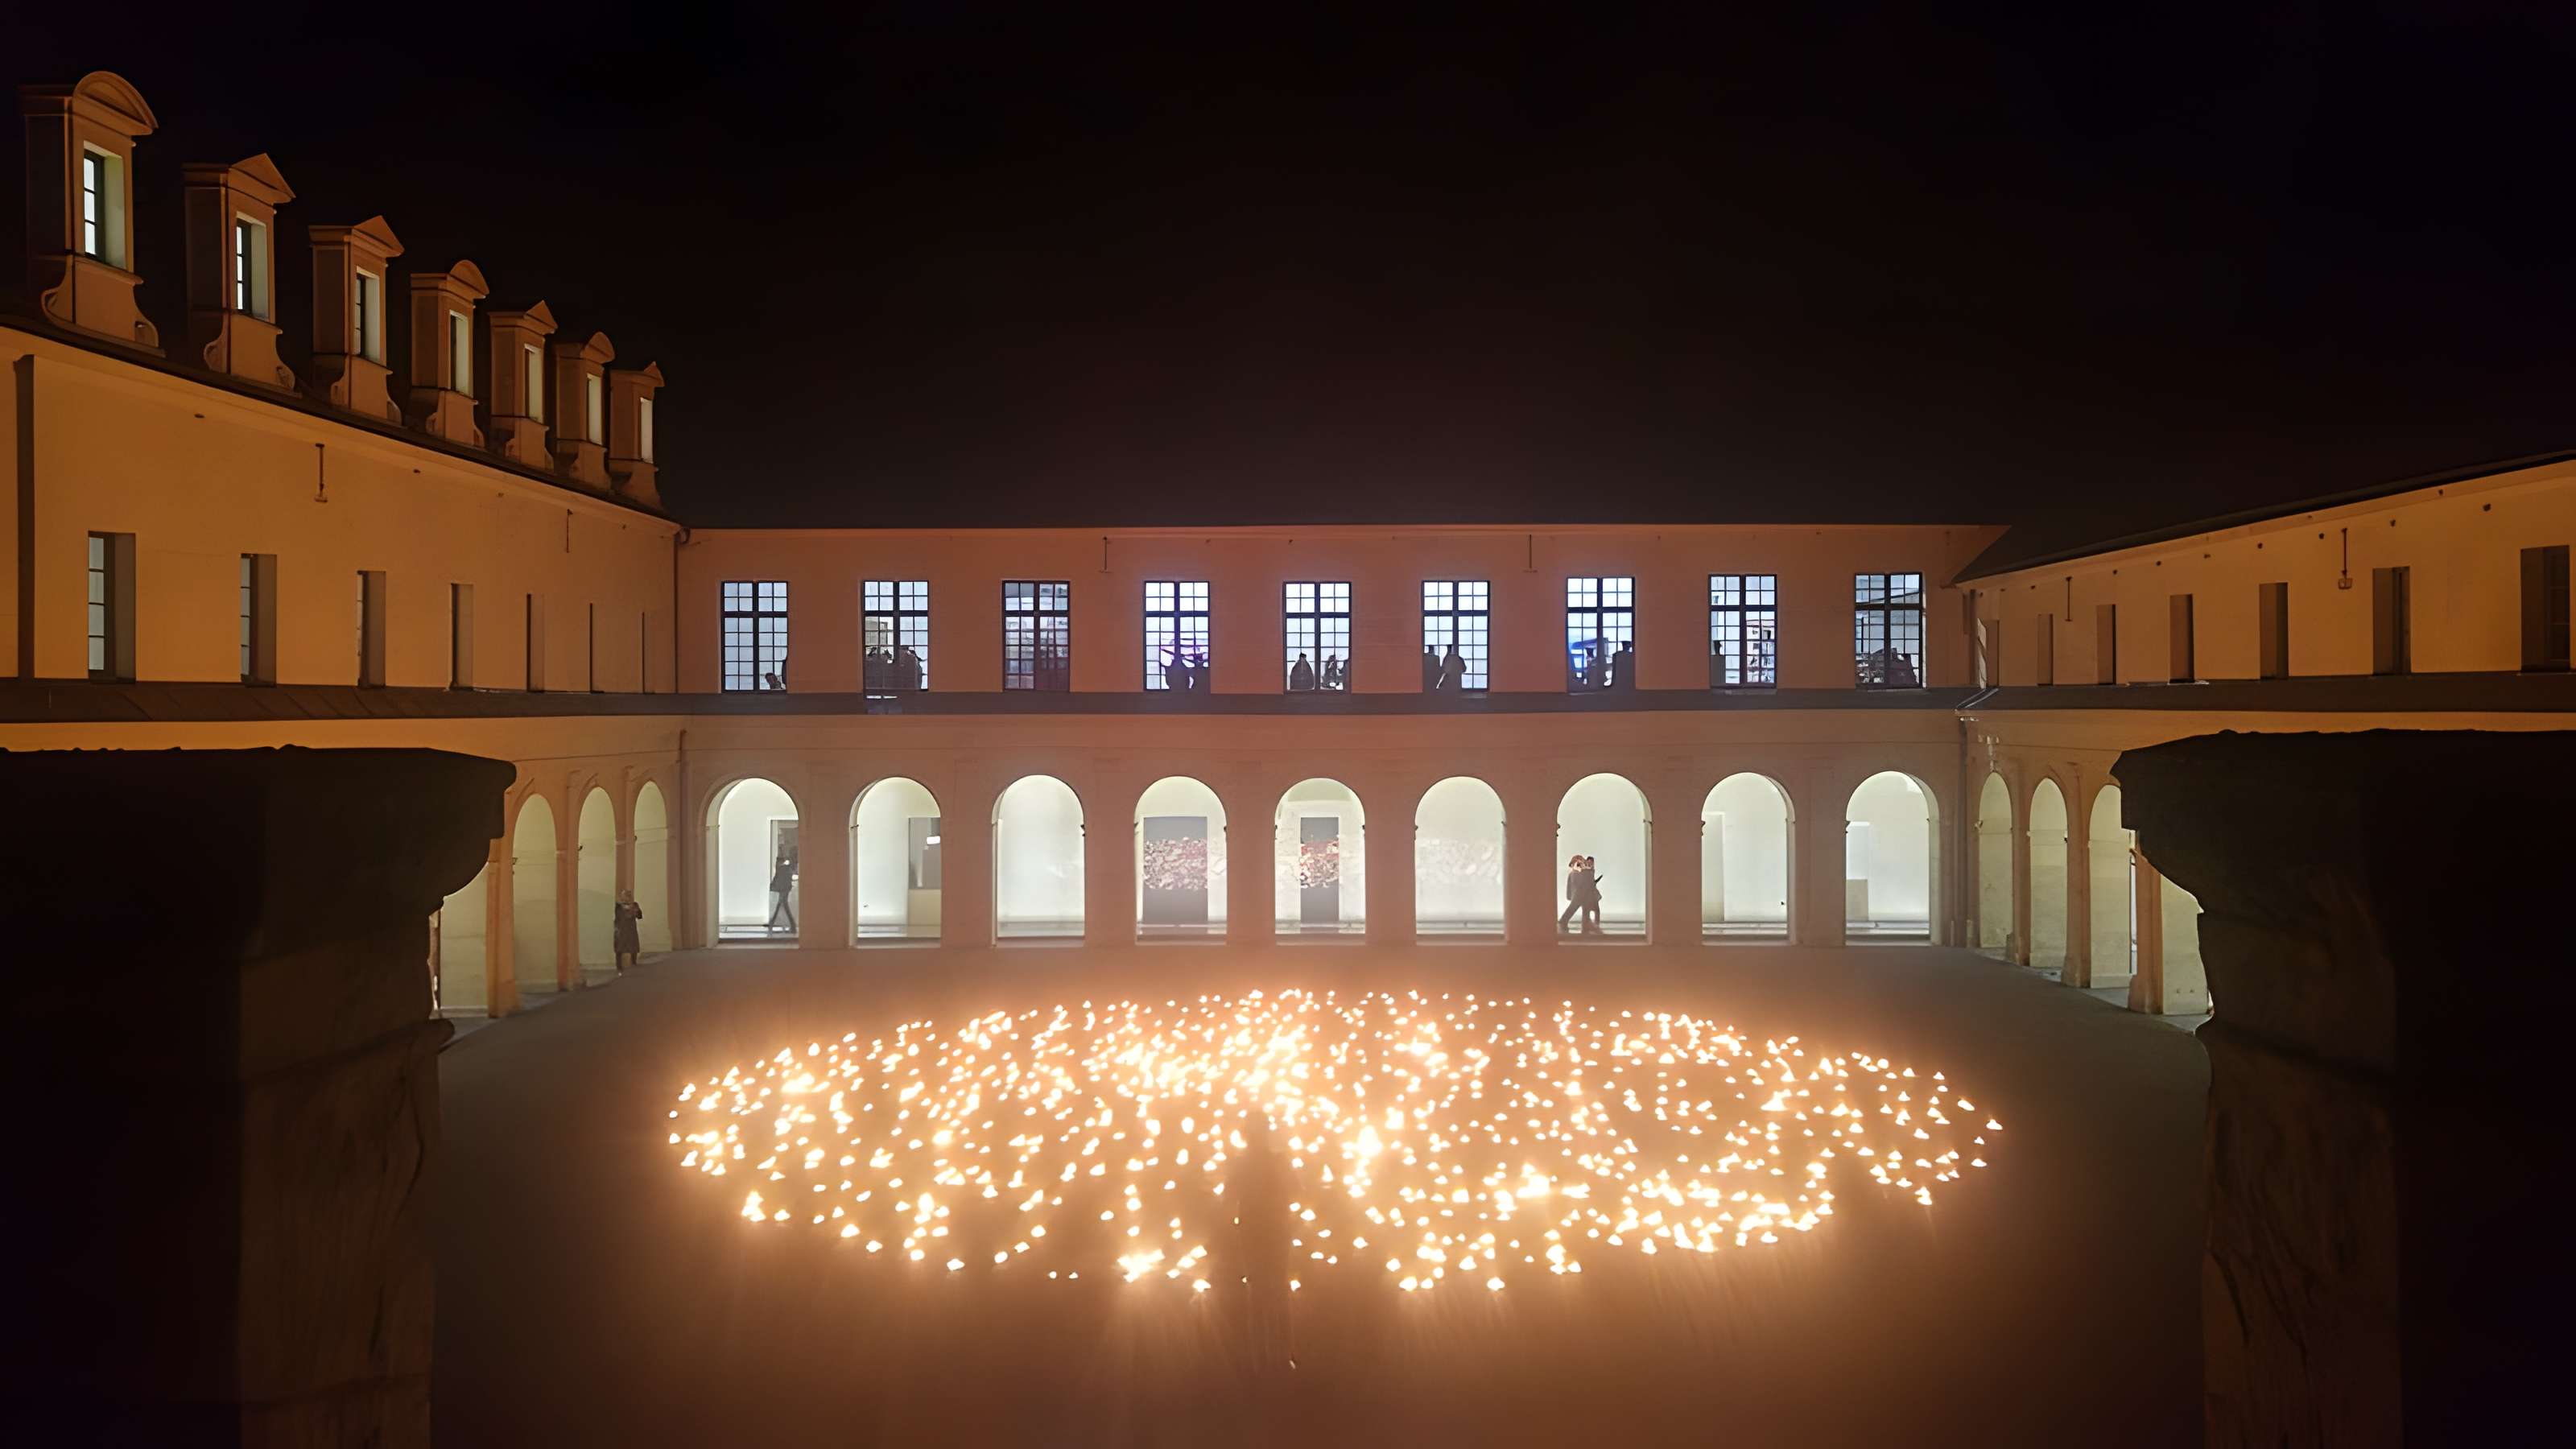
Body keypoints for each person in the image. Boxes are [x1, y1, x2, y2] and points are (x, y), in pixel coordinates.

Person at [612, 889, 643, 973]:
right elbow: (614, 916)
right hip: (621, 929)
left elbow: (640, 916)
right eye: (625, 895)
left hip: (631, 929)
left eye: (629, 896)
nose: (627, 897)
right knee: (619, 948)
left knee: (633, 946)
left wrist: (637, 911)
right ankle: (619, 966)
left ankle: (634, 962)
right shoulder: (618, 906)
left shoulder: (635, 905)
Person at [766, 851, 798, 935]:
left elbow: (779, 879)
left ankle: (772, 923)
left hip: (783, 888)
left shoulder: (784, 868)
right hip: (785, 888)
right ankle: (792, 926)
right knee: (783, 905)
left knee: (781, 905)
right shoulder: (786, 867)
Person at [1558, 853, 1587, 932]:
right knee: (1574, 909)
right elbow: (1573, 886)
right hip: (1578, 895)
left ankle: (1586, 925)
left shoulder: (1575, 874)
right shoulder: (1575, 874)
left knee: (1583, 910)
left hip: (1580, 895)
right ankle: (1563, 921)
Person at [1578, 855, 1604, 934]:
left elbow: (1591, 882)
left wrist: (1597, 880)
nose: (1591, 864)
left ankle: (1594, 926)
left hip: (1591, 893)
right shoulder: (1585, 871)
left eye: (1592, 862)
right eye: (1589, 862)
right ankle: (1588, 927)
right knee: (1589, 911)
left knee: (1595, 911)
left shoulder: (1591, 870)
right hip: (1587, 894)